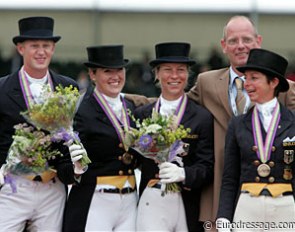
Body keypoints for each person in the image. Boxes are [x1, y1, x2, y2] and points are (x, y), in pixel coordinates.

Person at [186, 15, 295, 225]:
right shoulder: (206, 82)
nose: (240, 46)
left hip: (271, 192)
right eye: (233, 41)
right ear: (224, 46)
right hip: (219, 185)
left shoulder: (284, 87)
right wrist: (122, 99)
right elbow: (178, 105)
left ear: (258, 41)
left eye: (246, 39)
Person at [0, 16, 82, 231]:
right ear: (20, 48)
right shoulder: (2, 89)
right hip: (13, 186)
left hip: (52, 188)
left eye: (46, 46)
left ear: (53, 48)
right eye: (34, 46)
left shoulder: (68, 87)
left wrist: (76, 165)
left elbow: (72, 135)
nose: (41, 51)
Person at [135, 42, 214, 232]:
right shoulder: (143, 114)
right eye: (167, 70)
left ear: (188, 75)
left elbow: (207, 166)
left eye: (181, 70)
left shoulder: (202, 116)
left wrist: (185, 174)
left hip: (187, 201)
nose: (174, 76)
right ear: (157, 73)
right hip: (151, 198)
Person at [217, 48, 295, 232]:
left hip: (285, 205)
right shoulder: (237, 124)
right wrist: (223, 217)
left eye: (254, 78)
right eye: (247, 78)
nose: (247, 84)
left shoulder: (292, 121)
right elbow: (230, 176)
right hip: (247, 205)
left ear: (274, 82)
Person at [63, 45, 139, 232]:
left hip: (130, 199)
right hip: (96, 199)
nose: (115, 76)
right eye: (107, 71)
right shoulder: (82, 110)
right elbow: (65, 161)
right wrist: (76, 168)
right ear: (92, 74)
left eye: (119, 70)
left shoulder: (131, 107)